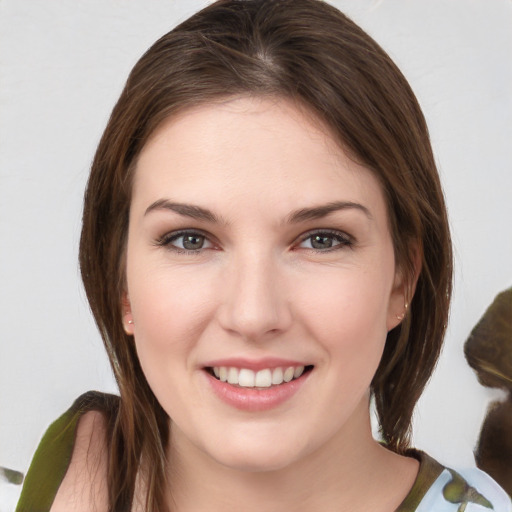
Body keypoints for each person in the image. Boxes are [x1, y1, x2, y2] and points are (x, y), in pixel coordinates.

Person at [15, 1, 512, 511]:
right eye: (190, 239)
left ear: (401, 280)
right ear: (121, 282)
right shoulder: (75, 468)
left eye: (322, 239)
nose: (253, 314)